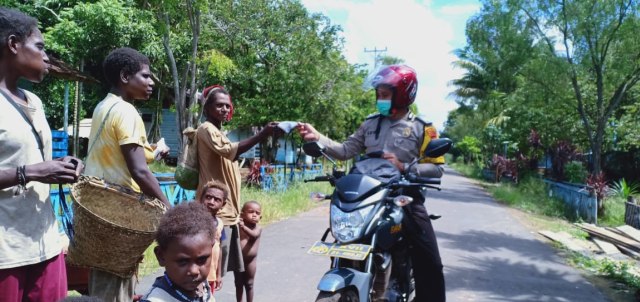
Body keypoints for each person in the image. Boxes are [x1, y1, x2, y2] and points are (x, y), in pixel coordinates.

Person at [297, 64, 446, 302]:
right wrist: (318, 138)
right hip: (368, 197)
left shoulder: (422, 128)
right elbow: (346, 150)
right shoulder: (370, 124)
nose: (380, 99)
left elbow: (437, 168)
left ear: (402, 94)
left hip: (403, 196)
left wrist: (405, 167)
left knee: (430, 260)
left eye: (385, 95)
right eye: (378, 95)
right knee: (346, 237)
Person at [0, 7, 83, 302]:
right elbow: (31, 169)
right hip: (6, 253)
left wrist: (62, 165)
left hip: (45, 244)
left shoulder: (33, 100)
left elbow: (32, 159)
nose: (46, 56)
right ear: (13, 45)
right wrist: (32, 172)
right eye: (40, 46)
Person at [84, 47, 171, 301]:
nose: (151, 82)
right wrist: (169, 208)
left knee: (105, 282)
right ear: (125, 76)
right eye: (145, 76)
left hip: (100, 210)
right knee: (114, 289)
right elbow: (139, 170)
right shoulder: (127, 111)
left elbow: (133, 157)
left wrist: (154, 152)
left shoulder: (104, 106)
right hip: (117, 213)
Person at [195, 85, 276, 282]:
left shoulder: (218, 131)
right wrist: (262, 134)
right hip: (214, 211)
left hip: (227, 211)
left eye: (227, 106)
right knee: (210, 267)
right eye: (219, 106)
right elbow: (230, 151)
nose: (224, 109)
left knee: (218, 269)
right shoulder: (206, 129)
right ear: (207, 109)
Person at [140, 202, 215, 302]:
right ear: (161, 256)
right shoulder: (156, 299)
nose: (194, 271)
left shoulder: (203, 288)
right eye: (183, 261)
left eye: (202, 260)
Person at [198, 180, 228, 296]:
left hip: (211, 275)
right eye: (208, 197)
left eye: (217, 199)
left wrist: (218, 274)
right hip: (196, 274)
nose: (211, 202)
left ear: (223, 204)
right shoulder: (194, 221)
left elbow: (219, 249)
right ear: (201, 198)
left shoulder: (220, 224)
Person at [235, 201, 262, 302]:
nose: (254, 215)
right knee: (238, 284)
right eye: (251, 212)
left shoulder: (258, 228)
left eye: (257, 213)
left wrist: (243, 227)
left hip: (251, 261)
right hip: (238, 260)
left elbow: (254, 235)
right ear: (242, 215)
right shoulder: (238, 227)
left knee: (249, 284)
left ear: (260, 217)